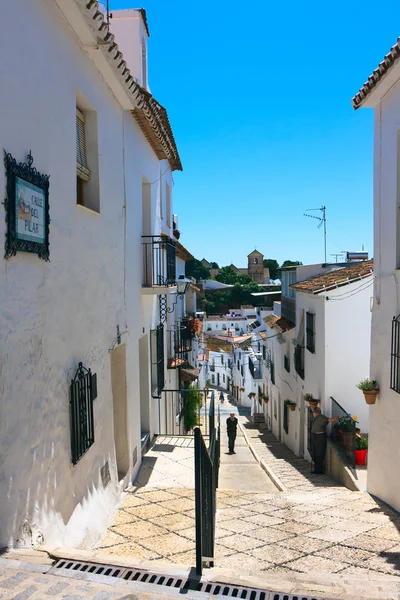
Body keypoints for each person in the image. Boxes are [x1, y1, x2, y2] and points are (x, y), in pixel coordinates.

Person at [311, 407, 339, 474]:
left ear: (315, 413)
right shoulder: (317, 418)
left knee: (319, 453)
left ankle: (319, 470)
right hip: (315, 436)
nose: (313, 414)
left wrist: (335, 419)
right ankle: (316, 469)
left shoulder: (322, 417)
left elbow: (328, 420)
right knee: (315, 453)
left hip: (320, 437)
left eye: (313, 413)